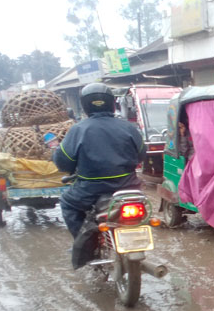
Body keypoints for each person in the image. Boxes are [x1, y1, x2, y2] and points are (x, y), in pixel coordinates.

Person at [53, 83, 146, 238]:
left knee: (67, 203)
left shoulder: (78, 129)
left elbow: (63, 161)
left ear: (85, 105)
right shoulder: (128, 127)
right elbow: (142, 154)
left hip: (90, 190)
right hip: (129, 186)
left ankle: (83, 244)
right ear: (111, 103)